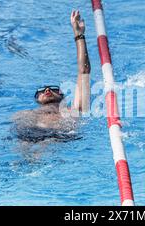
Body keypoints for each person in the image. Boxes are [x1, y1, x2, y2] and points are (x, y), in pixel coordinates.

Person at [12, 10, 91, 143]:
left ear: (62, 95)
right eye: (42, 91)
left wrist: (79, 36)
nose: (47, 90)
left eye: (53, 89)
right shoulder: (25, 114)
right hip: (29, 134)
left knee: (44, 148)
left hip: (59, 136)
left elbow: (84, 71)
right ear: (36, 99)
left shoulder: (74, 109)